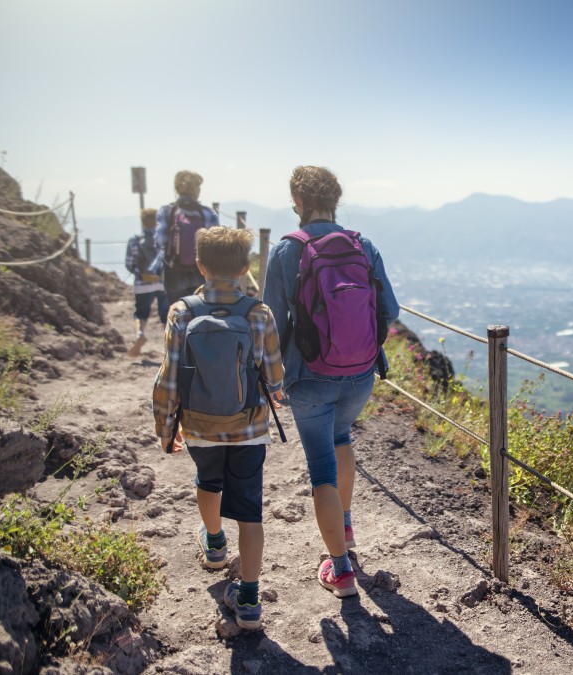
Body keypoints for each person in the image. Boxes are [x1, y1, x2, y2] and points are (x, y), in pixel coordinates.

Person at [262, 165, 399, 598]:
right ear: (335, 200)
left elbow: (268, 322)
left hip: (309, 377)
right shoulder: (363, 244)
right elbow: (390, 310)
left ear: (298, 202)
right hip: (361, 375)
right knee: (342, 438)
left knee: (320, 467)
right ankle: (345, 527)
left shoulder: (287, 251)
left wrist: (272, 376)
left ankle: (340, 572)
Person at [152, 227, 285, 629]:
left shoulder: (181, 311)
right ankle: (248, 599)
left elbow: (169, 377)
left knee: (208, 481)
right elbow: (275, 376)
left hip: (199, 424)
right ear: (246, 266)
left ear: (200, 264)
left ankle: (213, 545)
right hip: (248, 428)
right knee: (249, 508)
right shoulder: (259, 313)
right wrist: (273, 392)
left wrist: (166, 425)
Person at [151, 170, 221, 304]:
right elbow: (217, 244)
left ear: (177, 189)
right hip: (201, 270)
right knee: (200, 311)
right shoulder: (208, 213)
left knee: (177, 312)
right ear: (197, 190)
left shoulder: (166, 211)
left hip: (174, 270)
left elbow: (160, 241)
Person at [124, 207, 168, 357]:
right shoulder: (164, 240)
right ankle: (169, 346)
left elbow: (130, 264)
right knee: (166, 315)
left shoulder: (135, 240)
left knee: (140, 313)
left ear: (143, 222)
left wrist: (140, 275)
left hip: (143, 283)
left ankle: (139, 335)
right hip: (163, 283)